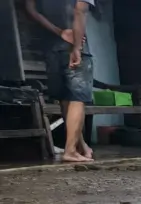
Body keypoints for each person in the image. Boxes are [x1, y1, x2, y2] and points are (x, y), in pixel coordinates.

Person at [24, 0, 95, 163]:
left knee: (66, 97)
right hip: (74, 46)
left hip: (51, 47)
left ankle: (80, 146)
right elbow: (80, 11)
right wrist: (77, 47)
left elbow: (31, 9)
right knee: (78, 99)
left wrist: (59, 31)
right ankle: (70, 150)